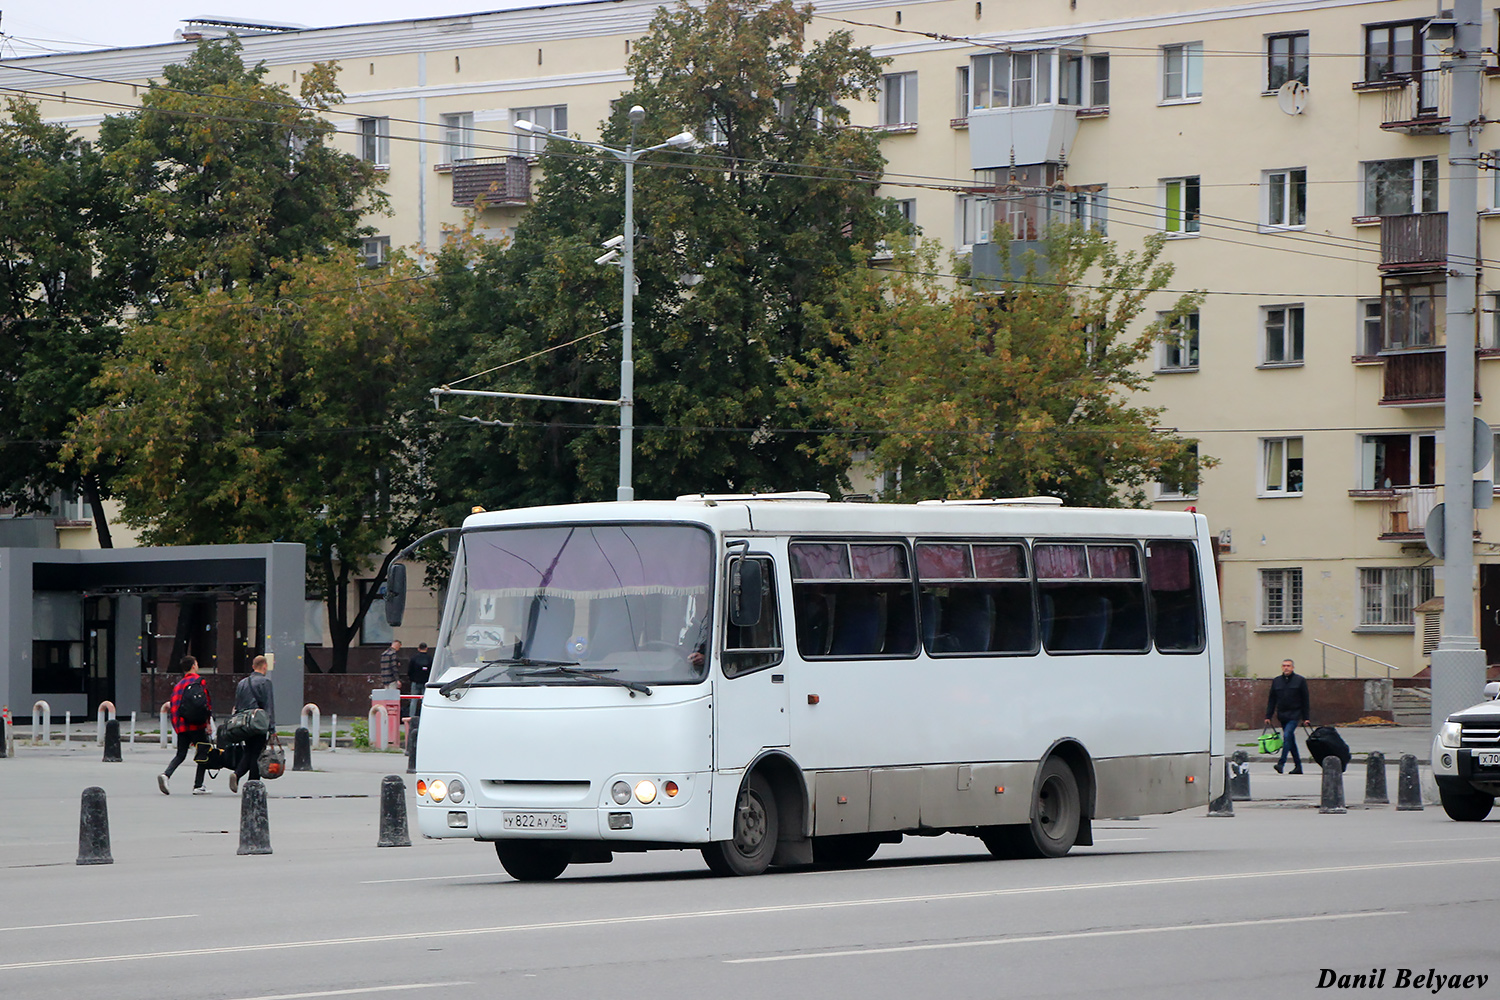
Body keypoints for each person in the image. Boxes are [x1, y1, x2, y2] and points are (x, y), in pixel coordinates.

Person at [159, 655, 213, 795]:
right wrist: (207, 723)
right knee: (203, 752)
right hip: (196, 725)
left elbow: (174, 707)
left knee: (181, 754)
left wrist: (177, 728)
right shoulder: (198, 681)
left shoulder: (178, 685)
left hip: (181, 726)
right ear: (194, 666)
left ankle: (166, 775)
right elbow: (205, 704)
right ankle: (198, 785)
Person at [229, 654, 275, 793]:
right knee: (257, 754)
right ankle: (254, 786)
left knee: (249, 751)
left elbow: (237, 705)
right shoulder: (265, 683)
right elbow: (269, 706)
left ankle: (237, 774)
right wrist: (272, 728)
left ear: (253, 666)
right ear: (265, 666)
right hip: (258, 722)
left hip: (243, 723)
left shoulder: (242, 682)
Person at [1264, 657, 1312, 774]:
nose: (1286, 668)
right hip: (1282, 714)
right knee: (1290, 740)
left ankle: (1281, 763)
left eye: (1288, 666)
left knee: (1287, 735)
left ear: (1293, 667)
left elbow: (1305, 700)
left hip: (1295, 713)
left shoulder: (1300, 680)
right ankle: (1298, 767)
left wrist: (1306, 717)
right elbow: (1272, 699)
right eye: (1284, 666)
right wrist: (1268, 716)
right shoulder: (1277, 681)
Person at [406, 642, 433, 718]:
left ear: (418, 649)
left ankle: (411, 716)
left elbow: (410, 670)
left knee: (413, 700)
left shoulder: (414, 658)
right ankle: (424, 716)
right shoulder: (430, 658)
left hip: (415, 681)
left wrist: (411, 678)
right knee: (425, 700)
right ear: (426, 648)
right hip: (426, 682)